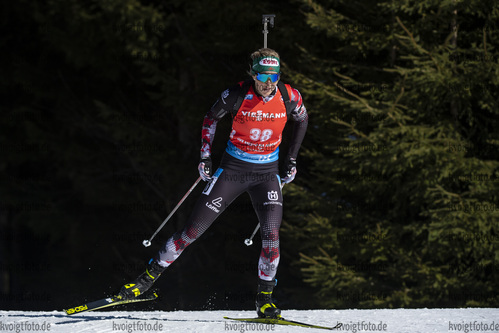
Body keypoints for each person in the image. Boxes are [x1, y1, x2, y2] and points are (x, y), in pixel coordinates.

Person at [118, 48, 308, 319]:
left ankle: (264, 300)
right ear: (253, 74)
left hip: (266, 174)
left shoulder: (289, 96)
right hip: (233, 170)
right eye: (263, 76)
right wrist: (205, 156)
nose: (268, 83)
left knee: (271, 235)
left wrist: (291, 159)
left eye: (274, 76)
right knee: (192, 231)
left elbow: (302, 120)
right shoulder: (235, 95)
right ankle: (144, 281)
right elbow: (211, 118)